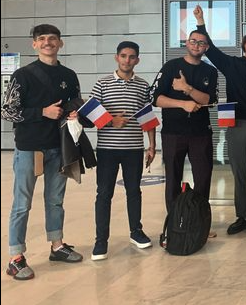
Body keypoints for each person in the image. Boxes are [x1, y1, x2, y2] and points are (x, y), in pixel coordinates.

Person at [1, 24, 84, 280]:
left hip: (60, 146)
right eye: (42, 39)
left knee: (55, 200)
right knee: (22, 204)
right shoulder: (22, 75)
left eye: (53, 39)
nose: (48, 42)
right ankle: (16, 257)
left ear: (60, 44)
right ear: (34, 45)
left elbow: (76, 100)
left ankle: (57, 245)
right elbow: (7, 111)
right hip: (29, 148)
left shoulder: (69, 75)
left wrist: (74, 110)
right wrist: (42, 112)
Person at [194, 4, 246, 240]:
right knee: (239, 174)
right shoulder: (231, 64)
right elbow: (209, 49)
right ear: (244, 45)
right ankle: (241, 216)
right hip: (236, 126)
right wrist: (201, 22)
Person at [89, 41, 157, 261]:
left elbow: (148, 119)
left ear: (137, 60)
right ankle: (101, 241)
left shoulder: (142, 85)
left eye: (132, 57)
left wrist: (152, 145)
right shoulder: (102, 84)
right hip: (107, 149)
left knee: (134, 191)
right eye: (123, 56)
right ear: (116, 57)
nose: (127, 60)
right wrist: (111, 121)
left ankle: (136, 231)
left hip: (133, 149)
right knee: (104, 194)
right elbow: (91, 114)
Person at [153, 28, 218, 219]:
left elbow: (208, 100)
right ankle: (175, 222)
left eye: (201, 43)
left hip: (200, 133)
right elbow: (155, 98)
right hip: (173, 132)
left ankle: (199, 221)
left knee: (203, 178)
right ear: (187, 43)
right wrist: (183, 104)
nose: (196, 45)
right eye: (193, 41)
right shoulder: (170, 66)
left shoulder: (210, 71)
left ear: (206, 47)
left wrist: (187, 88)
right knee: (173, 178)